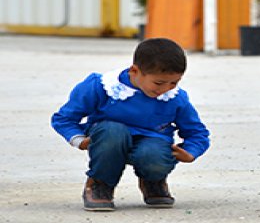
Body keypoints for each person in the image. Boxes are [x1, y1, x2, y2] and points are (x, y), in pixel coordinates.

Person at [50, 38, 210, 211]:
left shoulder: (175, 98)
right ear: (135, 71)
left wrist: (191, 151)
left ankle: (153, 180)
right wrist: (78, 140)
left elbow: (196, 132)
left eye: (174, 82)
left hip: (150, 143)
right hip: (109, 140)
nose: (166, 89)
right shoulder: (101, 86)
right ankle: (100, 184)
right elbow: (64, 118)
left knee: (153, 152)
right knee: (112, 132)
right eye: (159, 83)